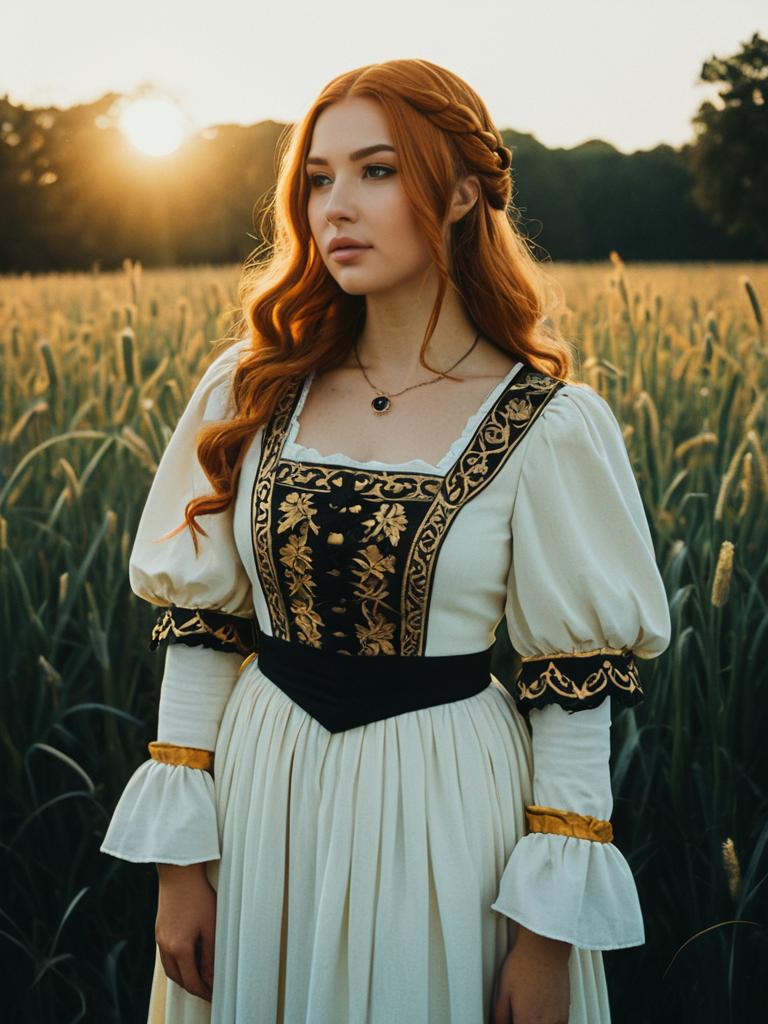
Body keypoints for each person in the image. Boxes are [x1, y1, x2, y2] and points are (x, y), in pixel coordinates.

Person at [100, 58, 671, 1024]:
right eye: (318, 179)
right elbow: (203, 629)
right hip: (263, 786)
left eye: (375, 171)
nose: (335, 208)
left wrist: (545, 941)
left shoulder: (548, 424)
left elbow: (571, 697)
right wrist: (180, 869)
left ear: (455, 192)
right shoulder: (253, 388)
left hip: (444, 804)